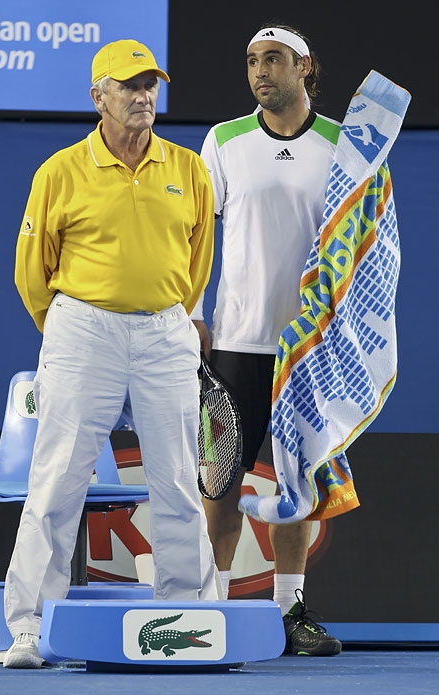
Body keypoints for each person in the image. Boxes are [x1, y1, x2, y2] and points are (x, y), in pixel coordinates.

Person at [3, 38, 221, 669]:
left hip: (164, 332)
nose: (143, 96)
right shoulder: (60, 171)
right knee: (56, 482)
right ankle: (30, 627)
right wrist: (68, 326)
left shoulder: (189, 169)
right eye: (129, 86)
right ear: (98, 97)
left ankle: (189, 619)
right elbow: (31, 271)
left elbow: (198, 262)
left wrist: (165, 313)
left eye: (150, 85)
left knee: (178, 481)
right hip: (83, 331)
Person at [192, 23, 343, 656]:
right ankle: (211, 611)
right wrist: (194, 313)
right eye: (253, 60)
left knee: (297, 487)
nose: (260, 70)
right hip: (235, 344)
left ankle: (288, 613)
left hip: (309, 348)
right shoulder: (224, 141)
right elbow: (196, 235)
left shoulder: (343, 144)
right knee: (220, 484)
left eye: (273, 59)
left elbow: (363, 240)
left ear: (304, 67)